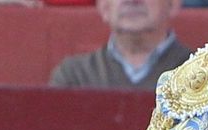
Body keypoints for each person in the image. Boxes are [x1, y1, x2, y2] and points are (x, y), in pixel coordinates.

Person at [50, 0, 191, 90]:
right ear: (104, 6)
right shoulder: (74, 76)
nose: (133, 1)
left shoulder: (201, 72)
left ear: (173, 3)